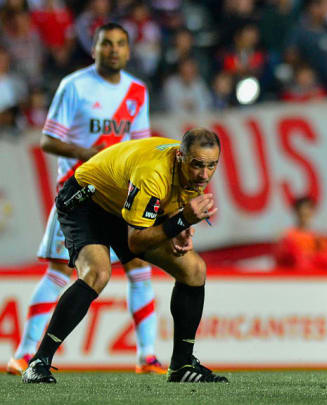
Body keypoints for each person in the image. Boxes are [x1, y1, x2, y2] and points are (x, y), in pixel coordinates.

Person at [7, 22, 164, 376]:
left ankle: (147, 356)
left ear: (128, 50)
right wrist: (87, 152)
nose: (113, 50)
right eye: (106, 43)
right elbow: (48, 139)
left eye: (120, 44)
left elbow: (140, 145)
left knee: (139, 266)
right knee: (61, 271)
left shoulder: (137, 91)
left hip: (119, 194)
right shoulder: (74, 86)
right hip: (79, 191)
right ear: (93, 49)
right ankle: (23, 353)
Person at [22, 129, 227, 384]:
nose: (204, 174)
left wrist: (180, 227)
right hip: (87, 201)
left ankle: (182, 365)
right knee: (97, 273)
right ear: (180, 156)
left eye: (212, 165)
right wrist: (181, 221)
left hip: (125, 208)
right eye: (198, 165)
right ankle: (38, 362)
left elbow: (171, 199)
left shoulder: (193, 164)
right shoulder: (153, 173)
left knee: (194, 270)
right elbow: (136, 242)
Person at [274, 196, 327, 273]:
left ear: (312, 212)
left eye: (307, 211)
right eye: (301, 211)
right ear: (296, 212)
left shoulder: (320, 237)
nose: (304, 214)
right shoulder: (287, 236)